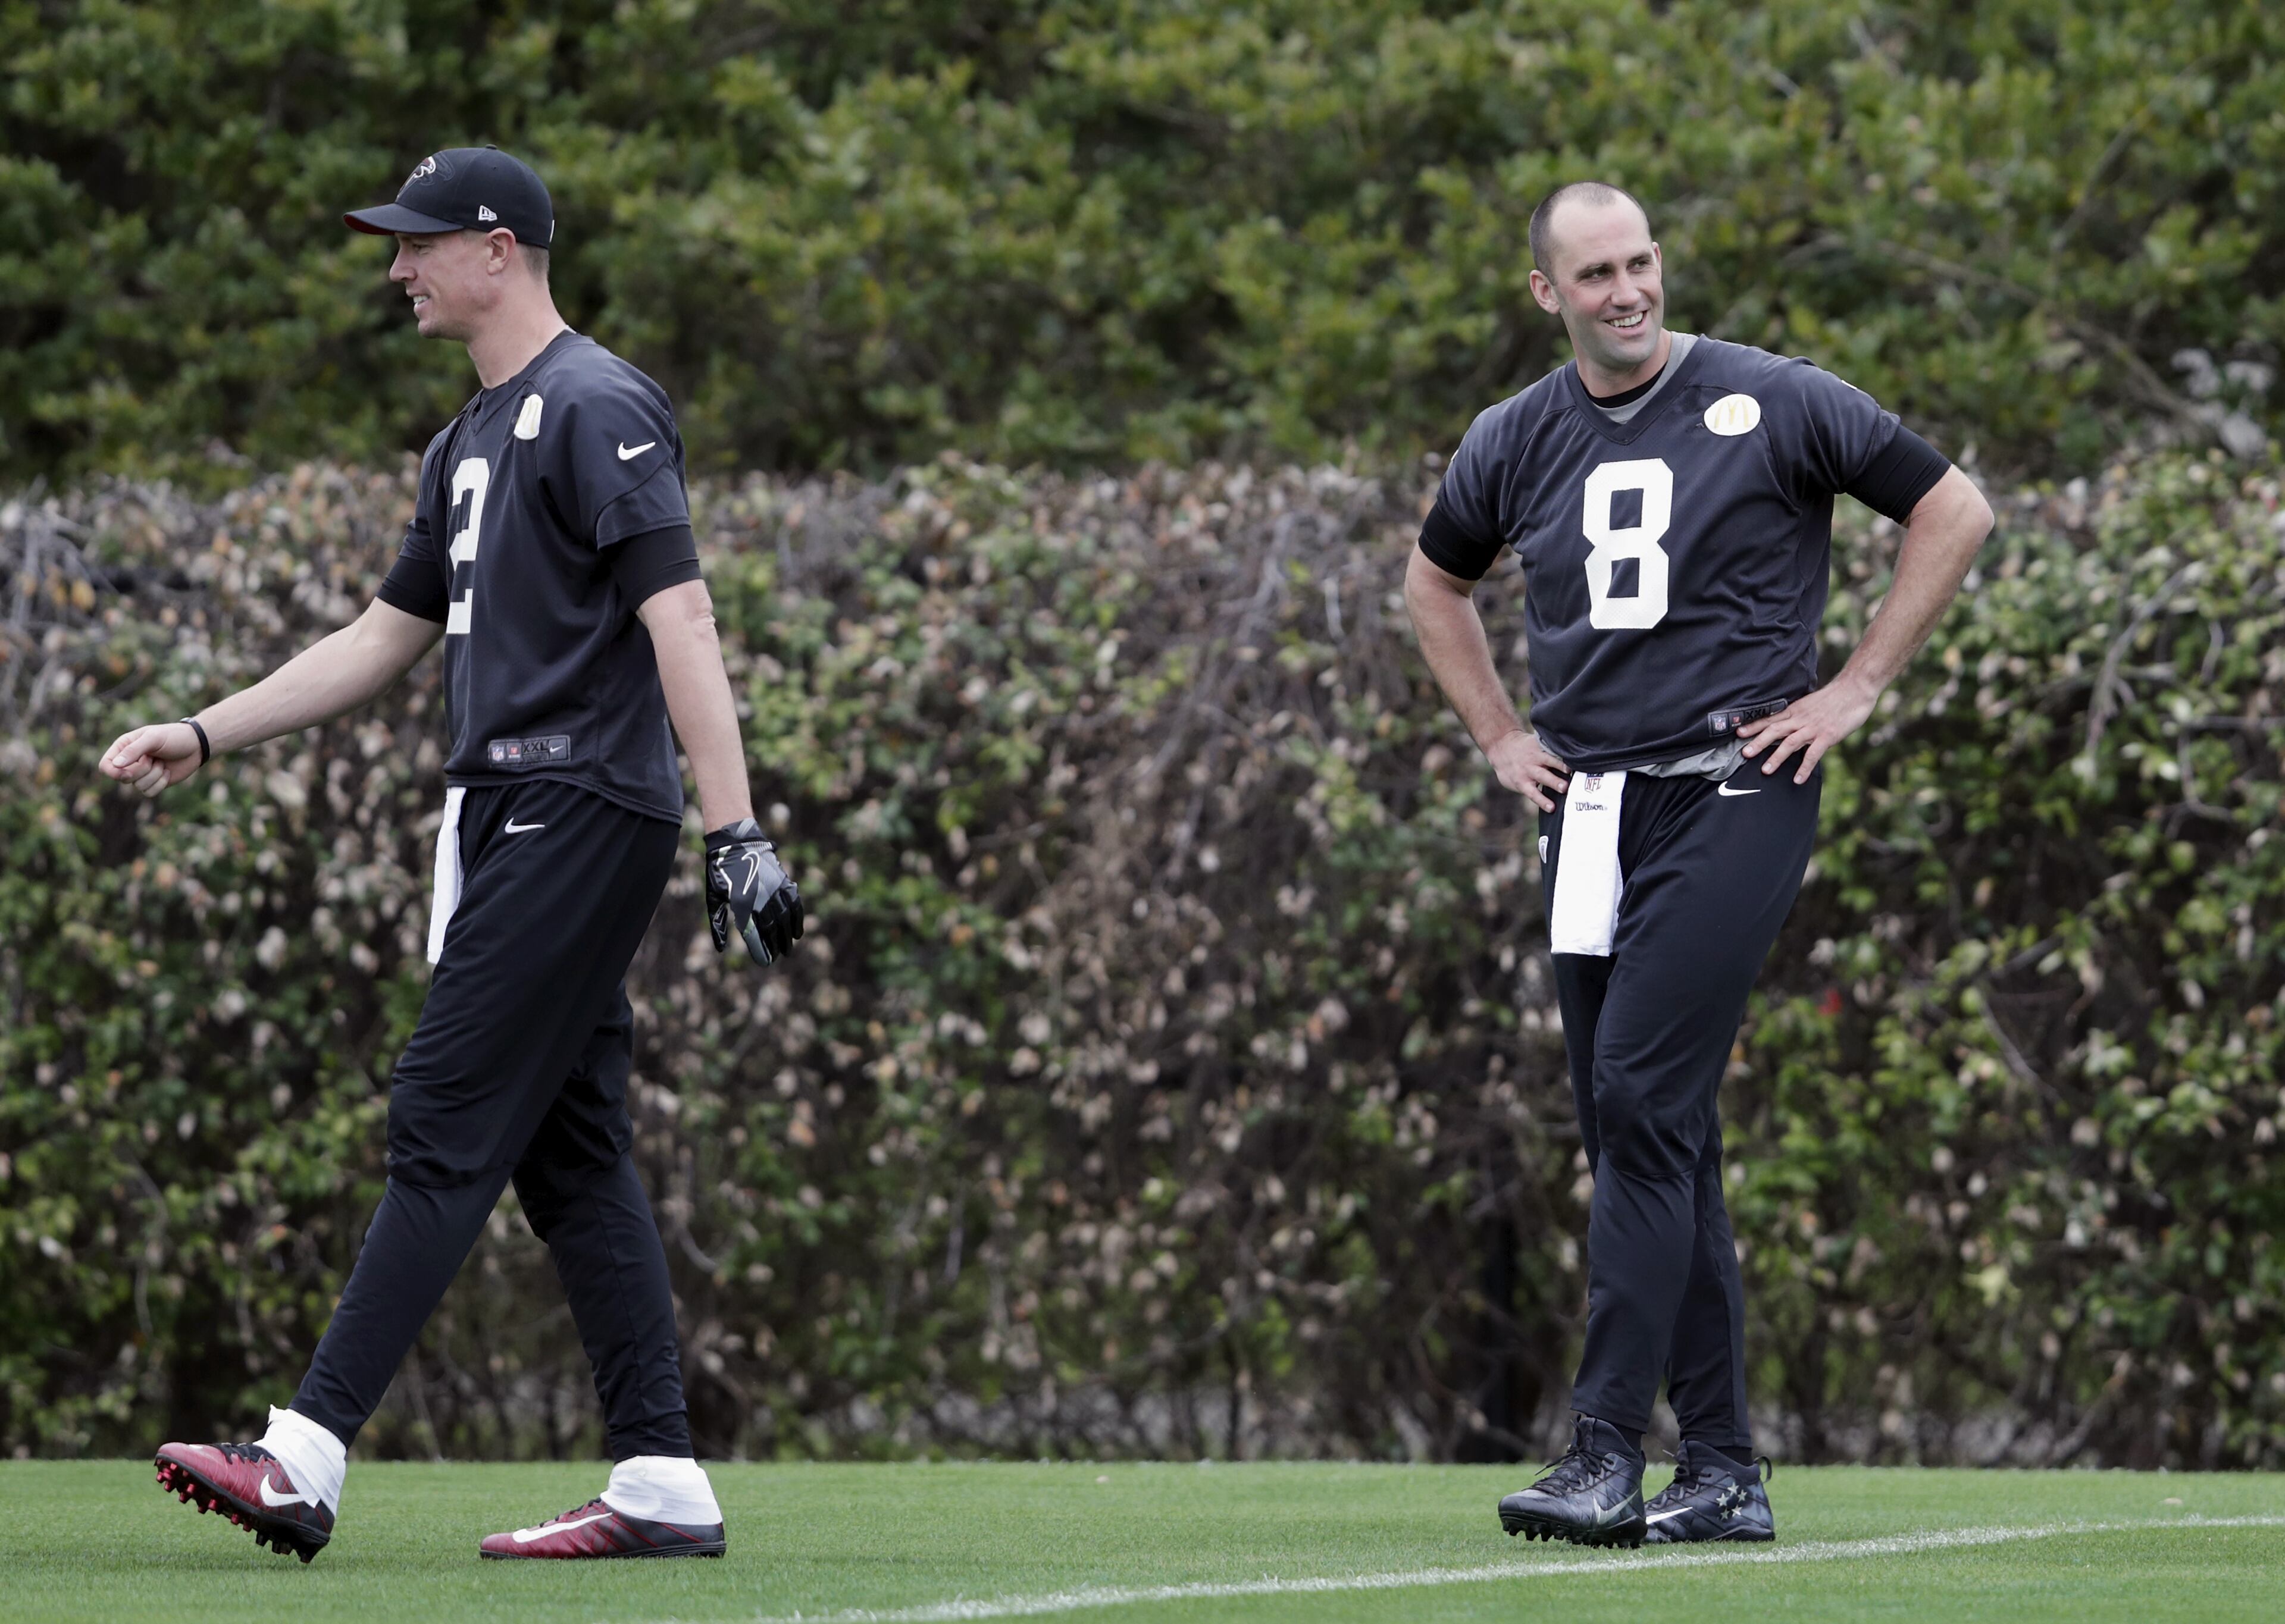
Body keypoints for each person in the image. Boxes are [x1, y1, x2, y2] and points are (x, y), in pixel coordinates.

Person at [101, 147, 803, 1563]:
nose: (397, 268)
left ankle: (299, 1462)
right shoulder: (468, 437)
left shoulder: (600, 402)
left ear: (500, 249)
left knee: (442, 1115)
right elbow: (380, 639)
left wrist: (737, 833)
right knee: (571, 1150)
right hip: (499, 821)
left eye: (418, 244)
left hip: (578, 805)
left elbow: (686, 624)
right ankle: (663, 1480)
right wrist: (205, 729)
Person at [1406, 182, 1992, 1547]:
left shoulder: (1777, 398)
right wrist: (1499, 733)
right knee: (1652, 1134)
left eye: (1641, 262)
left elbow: (1953, 510)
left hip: (1738, 787)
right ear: (1547, 294)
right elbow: (1435, 582)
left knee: (1641, 1099)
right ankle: (1722, 1469)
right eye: (1595, 274)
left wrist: (1852, 687)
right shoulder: (1514, 436)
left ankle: (1605, 1450)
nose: (1629, 291)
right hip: (1591, 813)